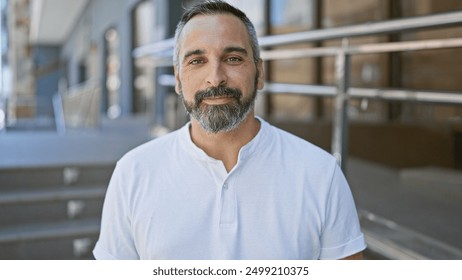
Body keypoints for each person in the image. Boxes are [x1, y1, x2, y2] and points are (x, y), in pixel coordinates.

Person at [93, 0, 366, 260]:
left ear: (259, 73)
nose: (216, 77)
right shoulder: (133, 173)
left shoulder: (320, 173)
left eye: (233, 58)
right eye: (197, 61)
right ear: (178, 79)